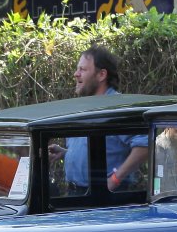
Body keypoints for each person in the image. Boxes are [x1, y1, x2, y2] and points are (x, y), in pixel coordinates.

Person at [61, 45, 149, 192]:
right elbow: (100, 150)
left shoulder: (117, 107)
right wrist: (66, 153)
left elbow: (145, 146)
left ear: (101, 75)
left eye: (83, 69)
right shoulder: (85, 107)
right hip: (77, 195)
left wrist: (115, 179)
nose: (76, 74)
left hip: (104, 197)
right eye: (77, 69)